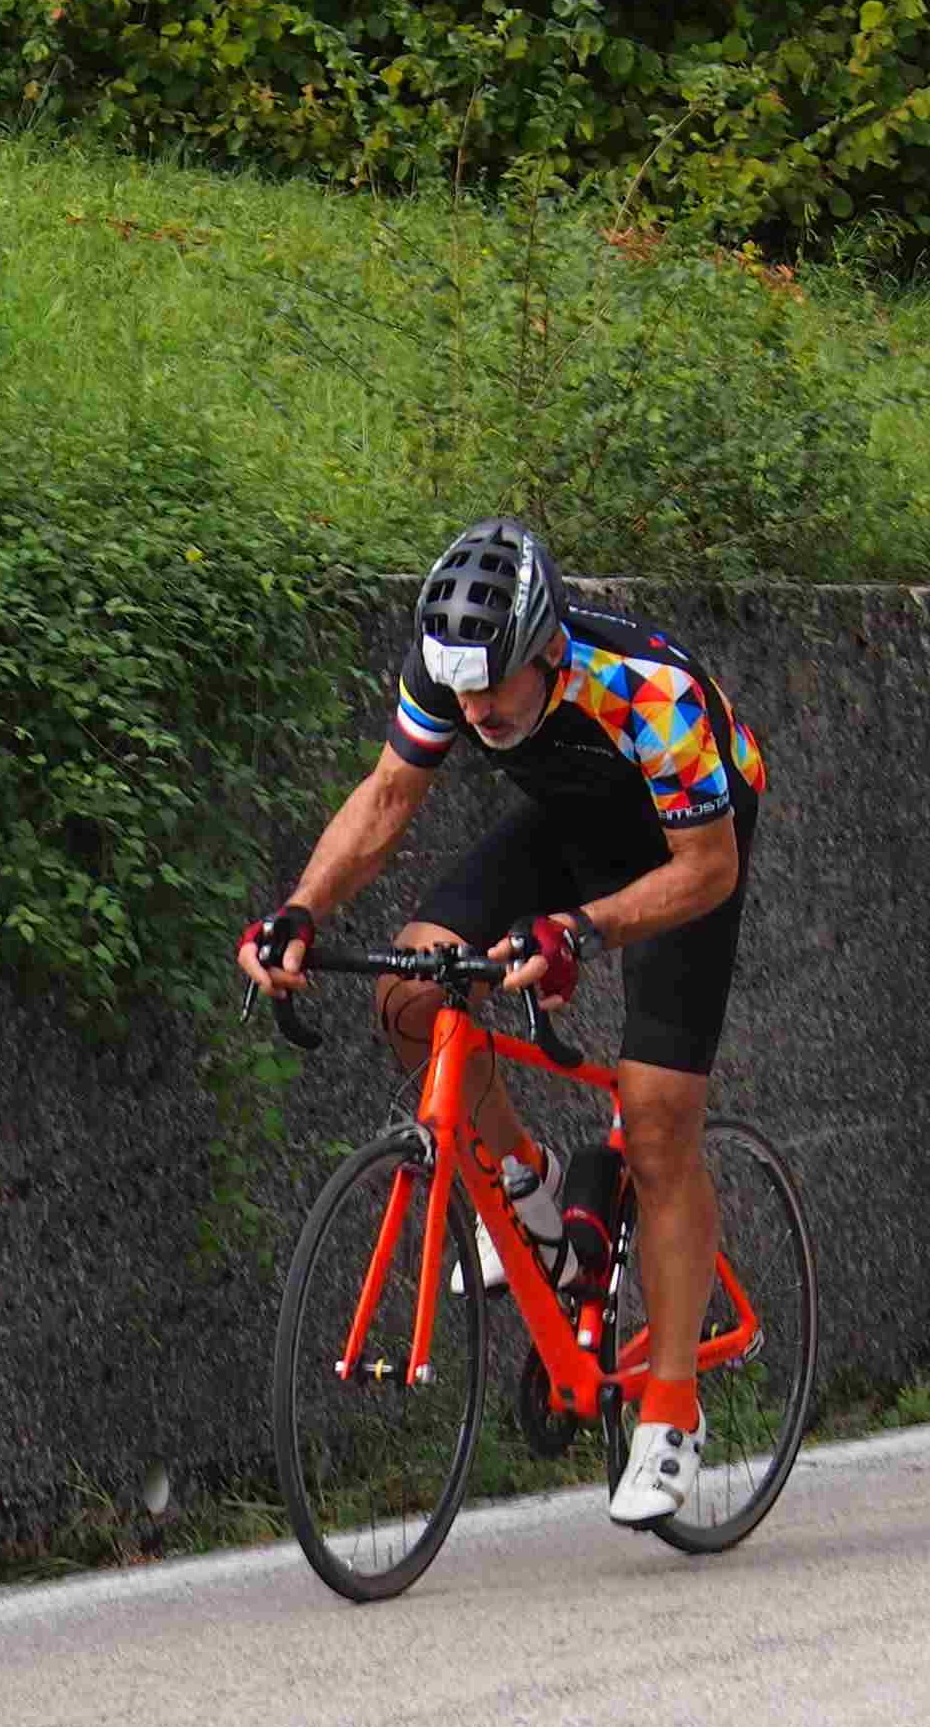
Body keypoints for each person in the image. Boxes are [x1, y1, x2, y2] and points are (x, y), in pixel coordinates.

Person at [238, 518, 770, 1525]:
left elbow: (708, 870)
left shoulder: (646, 691)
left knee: (658, 1126)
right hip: (570, 829)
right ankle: (531, 1187)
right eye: (460, 690)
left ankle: (670, 1410)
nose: (474, 709)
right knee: (410, 993)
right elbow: (388, 797)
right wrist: (300, 910)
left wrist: (582, 931)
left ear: (546, 650)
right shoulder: (454, 670)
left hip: (687, 852)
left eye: (493, 688)